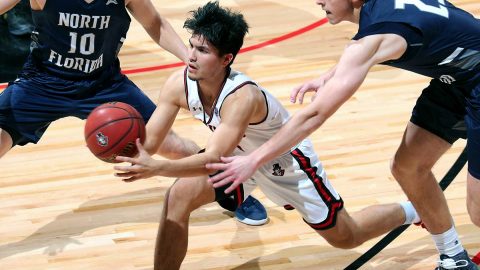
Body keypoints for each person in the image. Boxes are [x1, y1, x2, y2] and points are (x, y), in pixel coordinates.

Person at [113, 2, 421, 269]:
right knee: (178, 197)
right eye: (192, 45)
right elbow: (148, 144)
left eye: (202, 50)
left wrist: (156, 168)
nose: (191, 56)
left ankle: (413, 209)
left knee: (346, 237)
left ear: (226, 60)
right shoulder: (178, 84)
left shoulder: (242, 98)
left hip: (285, 160)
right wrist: (123, 148)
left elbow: (211, 159)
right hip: (236, 157)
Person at [206, 0, 480, 269]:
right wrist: (331, 75)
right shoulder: (381, 17)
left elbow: (313, 116)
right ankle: (454, 258)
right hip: (456, 81)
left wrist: (253, 159)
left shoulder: (378, 34)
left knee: (477, 210)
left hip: (472, 79)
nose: (318, 1)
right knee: (408, 167)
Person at [0, 0, 266, 225]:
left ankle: (233, 190)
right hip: (43, 83)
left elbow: (155, 23)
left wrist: (187, 56)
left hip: (103, 85)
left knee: (172, 145)